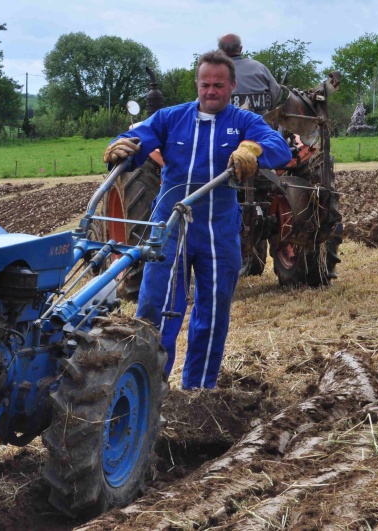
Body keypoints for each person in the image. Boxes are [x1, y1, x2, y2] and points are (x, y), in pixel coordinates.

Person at [103, 50, 292, 390]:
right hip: (171, 230)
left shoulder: (244, 122)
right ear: (197, 85)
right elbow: (139, 137)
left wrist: (253, 150)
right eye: (205, 84)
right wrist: (121, 145)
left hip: (218, 232)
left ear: (231, 86)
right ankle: (150, 390)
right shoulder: (170, 118)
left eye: (218, 85)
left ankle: (198, 392)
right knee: (155, 311)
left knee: (212, 315)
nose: (211, 91)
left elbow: (279, 146)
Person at [218, 34, 281, 115]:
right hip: (260, 122)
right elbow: (277, 93)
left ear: (220, 51)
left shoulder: (215, 71)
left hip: (224, 123)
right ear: (240, 49)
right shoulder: (259, 67)